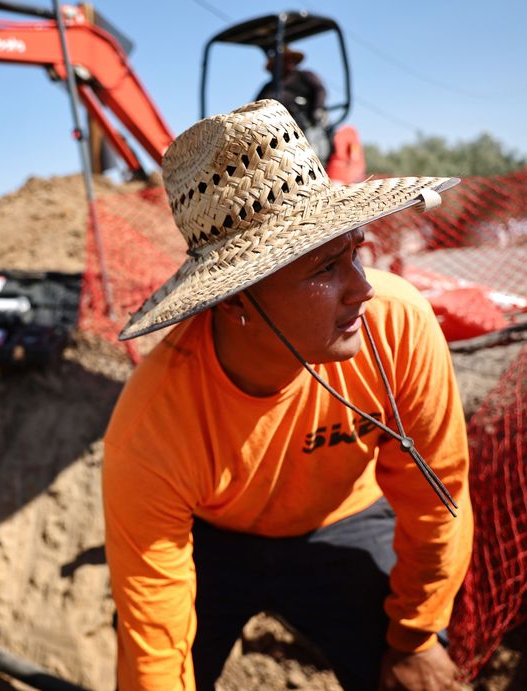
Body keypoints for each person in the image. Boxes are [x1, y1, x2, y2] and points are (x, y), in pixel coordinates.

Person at [103, 100, 472, 691]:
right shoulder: (154, 424)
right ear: (232, 297)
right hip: (213, 542)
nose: (361, 289)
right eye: (326, 266)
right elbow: (153, 631)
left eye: (355, 252)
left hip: (344, 519)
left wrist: (416, 636)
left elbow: (438, 497)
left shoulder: (399, 324)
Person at [257, 46, 330, 161]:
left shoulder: (305, 76)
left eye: (291, 60)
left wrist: (318, 109)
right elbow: (255, 105)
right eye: (285, 60)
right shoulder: (268, 86)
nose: (290, 63)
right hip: (271, 130)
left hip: (302, 124)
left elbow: (320, 91)